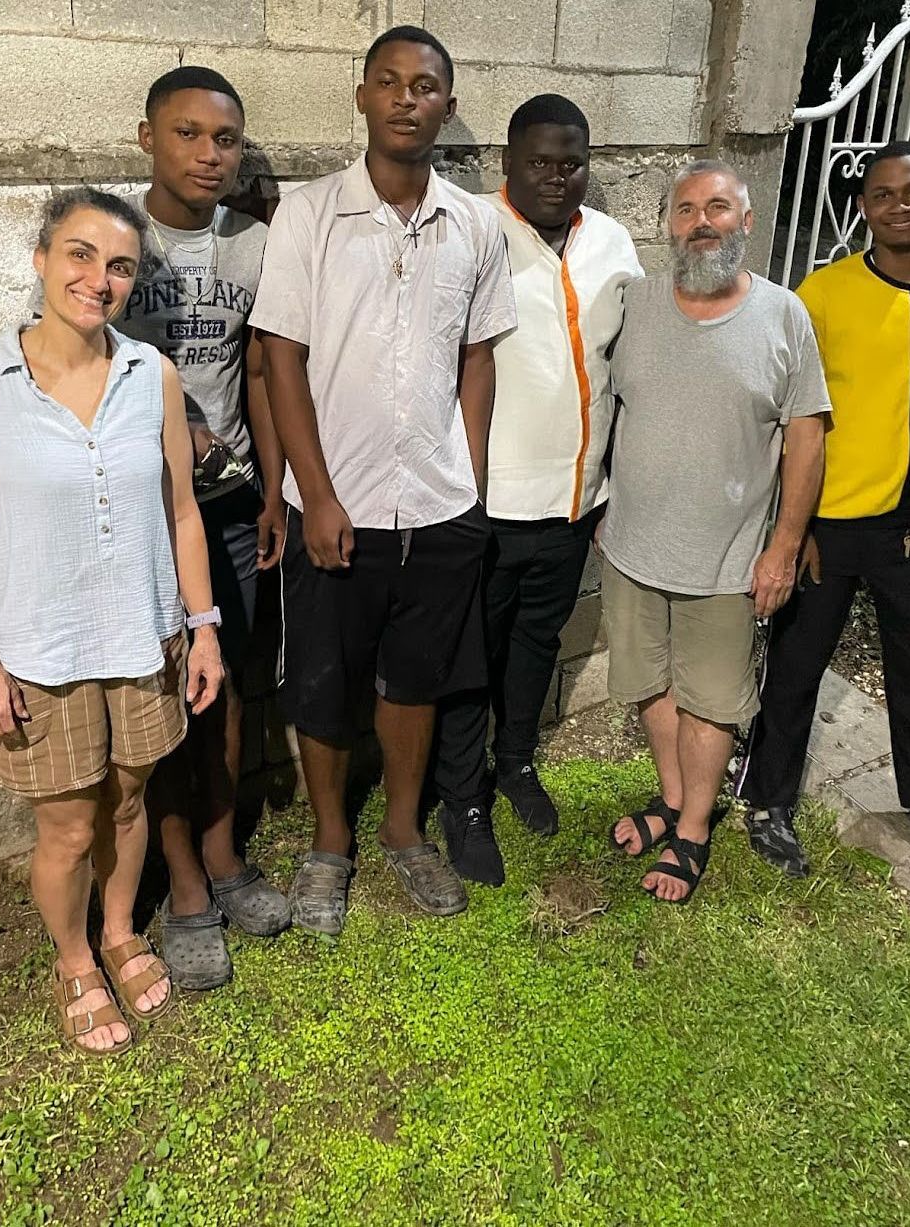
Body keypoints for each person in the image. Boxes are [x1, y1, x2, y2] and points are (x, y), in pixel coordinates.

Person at [0, 188, 224, 1055]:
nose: (99, 279)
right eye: (80, 255)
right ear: (42, 260)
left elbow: (181, 514)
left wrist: (204, 626)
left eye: (120, 265)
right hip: (40, 653)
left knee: (127, 803)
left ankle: (121, 929)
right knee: (65, 826)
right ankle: (74, 959)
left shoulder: (150, 375)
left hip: (142, 639)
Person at [250, 26, 515, 935]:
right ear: (362, 95)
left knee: (416, 679)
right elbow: (281, 358)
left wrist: (470, 482)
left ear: (448, 103)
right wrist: (317, 493)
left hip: (439, 506)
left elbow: (477, 358)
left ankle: (404, 828)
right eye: (390, 82)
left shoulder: (474, 223)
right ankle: (331, 840)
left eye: (426, 85)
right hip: (337, 504)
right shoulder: (311, 215)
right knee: (325, 681)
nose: (408, 98)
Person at [736, 141, 910, 883]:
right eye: (883, 194)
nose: (899, 206)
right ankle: (767, 799)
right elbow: (790, 420)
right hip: (828, 530)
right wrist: (793, 528)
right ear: (863, 208)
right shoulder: (822, 296)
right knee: (795, 666)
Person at [602, 160, 830, 903]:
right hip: (632, 548)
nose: (702, 222)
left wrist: (784, 548)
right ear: (668, 225)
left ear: (747, 221)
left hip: (728, 560)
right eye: (687, 209)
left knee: (711, 700)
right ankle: (673, 799)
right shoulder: (635, 304)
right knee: (649, 683)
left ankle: (694, 829)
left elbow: (807, 439)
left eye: (719, 207)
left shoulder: (783, 315)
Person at [430, 94, 643, 885]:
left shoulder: (612, 242)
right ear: (508, 163)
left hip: (574, 499)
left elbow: (630, 360)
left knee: (536, 641)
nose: (557, 176)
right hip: (486, 500)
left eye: (572, 163)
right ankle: (462, 796)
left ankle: (515, 760)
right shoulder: (472, 228)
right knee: (471, 652)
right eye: (540, 162)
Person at [126, 67, 290, 990]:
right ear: (147, 138)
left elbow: (259, 370)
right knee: (159, 696)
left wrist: (272, 489)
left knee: (221, 689)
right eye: (187, 133)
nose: (208, 154)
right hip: (138, 518)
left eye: (225, 139)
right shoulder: (113, 239)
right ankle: (183, 878)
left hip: (226, 509)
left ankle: (224, 854)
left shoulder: (253, 244)